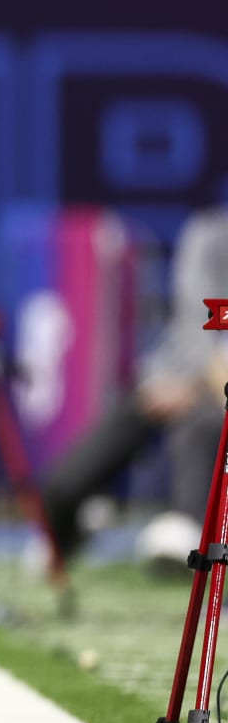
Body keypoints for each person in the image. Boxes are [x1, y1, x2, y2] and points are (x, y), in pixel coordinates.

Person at [42, 207, 228, 569]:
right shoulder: (209, 234)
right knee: (59, 489)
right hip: (171, 379)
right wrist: (188, 379)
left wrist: (201, 386)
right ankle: (72, 527)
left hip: (211, 399)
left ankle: (190, 535)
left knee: (201, 426)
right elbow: (201, 321)